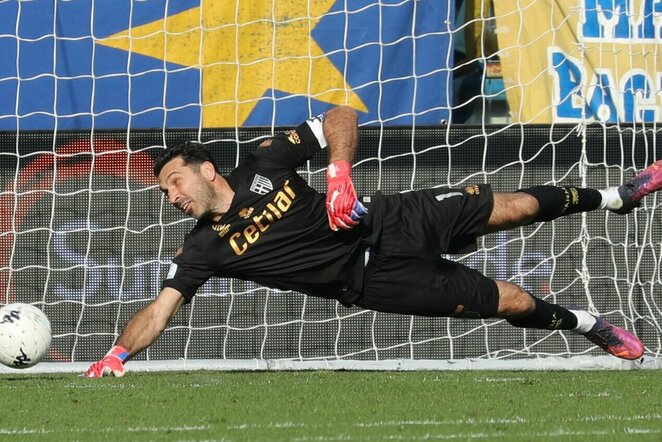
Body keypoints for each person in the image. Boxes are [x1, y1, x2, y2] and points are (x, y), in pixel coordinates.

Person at [85, 106, 655, 377]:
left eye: (174, 182)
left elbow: (340, 116)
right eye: (163, 192)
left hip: (390, 220)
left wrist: (338, 174)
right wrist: (117, 353)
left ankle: (616, 197)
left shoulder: (266, 163)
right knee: (511, 301)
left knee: (518, 207)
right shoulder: (202, 249)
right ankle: (589, 325)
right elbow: (160, 310)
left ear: (207, 169)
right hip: (378, 281)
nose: (171, 196)